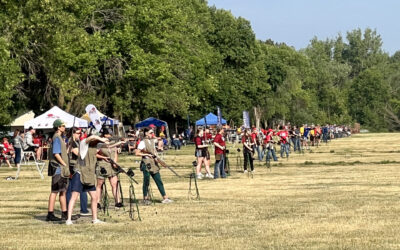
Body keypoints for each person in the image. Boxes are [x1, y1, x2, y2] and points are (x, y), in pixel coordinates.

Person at [66, 129, 109, 225]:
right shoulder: (83, 144)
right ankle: (68, 219)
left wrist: (121, 142)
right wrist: (100, 138)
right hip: (80, 174)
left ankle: (95, 219)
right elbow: (91, 138)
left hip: (89, 176)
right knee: (74, 197)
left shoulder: (94, 146)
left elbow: (108, 145)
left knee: (94, 197)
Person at [136, 128, 173, 204]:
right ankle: (145, 198)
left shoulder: (152, 141)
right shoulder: (142, 142)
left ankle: (165, 197)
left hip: (154, 163)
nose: (152, 134)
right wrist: (146, 154)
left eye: (152, 133)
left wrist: (159, 161)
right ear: (146, 133)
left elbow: (156, 148)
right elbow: (137, 153)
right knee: (146, 181)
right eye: (150, 133)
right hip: (146, 163)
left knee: (158, 180)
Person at [96, 128, 125, 209]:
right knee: (99, 184)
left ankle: (117, 201)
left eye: (111, 134)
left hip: (112, 165)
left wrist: (115, 162)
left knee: (114, 183)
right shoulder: (99, 143)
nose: (110, 136)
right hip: (102, 164)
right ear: (104, 135)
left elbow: (115, 153)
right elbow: (94, 154)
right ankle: (97, 202)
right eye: (108, 134)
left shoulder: (113, 143)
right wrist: (103, 157)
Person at [46, 119, 70, 221]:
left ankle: (65, 213)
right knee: (55, 191)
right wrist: (63, 164)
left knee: (63, 191)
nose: (64, 127)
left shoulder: (59, 138)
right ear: (58, 127)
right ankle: (50, 214)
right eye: (63, 126)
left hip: (60, 168)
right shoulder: (56, 138)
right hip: (58, 168)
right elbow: (56, 153)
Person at [66, 128, 89, 216]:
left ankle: (83, 209)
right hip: (73, 168)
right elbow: (80, 154)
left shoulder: (76, 142)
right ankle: (77, 209)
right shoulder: (72, 143)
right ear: (73, 134)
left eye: (80, 133)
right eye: (78, 133)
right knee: (73, 189)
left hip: (77, 167)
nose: (79, 135)